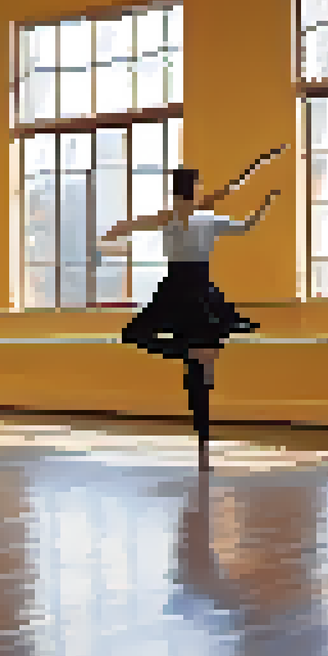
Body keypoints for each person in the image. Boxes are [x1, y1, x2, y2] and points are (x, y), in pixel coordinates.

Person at [102, 145, 286, 471]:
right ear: (194, 190)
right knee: (198, 369)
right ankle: (202, 432)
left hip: (181, 290)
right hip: (196, 291)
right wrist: (265, 204)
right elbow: (245, 225)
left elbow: (132, 224)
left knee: (163, 351)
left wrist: (114, 234)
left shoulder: (178, 216)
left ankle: (203, 442)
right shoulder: (197, 217)